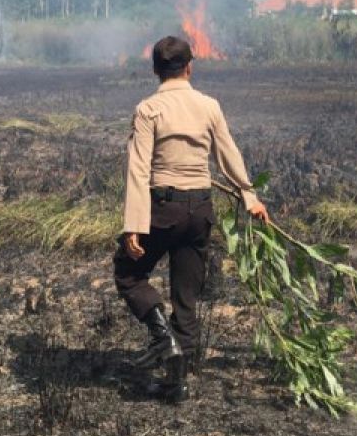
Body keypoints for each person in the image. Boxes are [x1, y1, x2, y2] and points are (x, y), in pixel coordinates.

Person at [114, 35, 269, 403]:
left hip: (162, 209)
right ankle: (178, 383)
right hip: (200, 209)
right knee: (186, 296)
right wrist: (250, 196)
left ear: (155, 70)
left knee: (128, 272)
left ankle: (162, 339)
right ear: (189, 67)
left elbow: (138, 170)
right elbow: (228, 153)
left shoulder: (148, 109)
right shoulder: (209, 106)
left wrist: (133, 224)